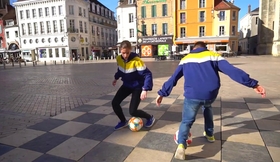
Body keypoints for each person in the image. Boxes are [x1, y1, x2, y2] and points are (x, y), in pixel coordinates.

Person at [155, 41, 266, 160]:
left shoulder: (186, 59)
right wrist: (253, 84)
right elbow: (232, 71)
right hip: (210, 94)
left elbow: (173, 78)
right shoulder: (213, 56)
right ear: (205, 48)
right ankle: (209, 134)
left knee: (187, 120)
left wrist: (162, 93)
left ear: (193, 49)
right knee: (207, 107)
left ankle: (182, 144)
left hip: (193, 95)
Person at [112, 40, 155, 130]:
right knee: (114, 103)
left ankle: (149, 117)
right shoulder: (119, 59)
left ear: (130, 50)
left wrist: (145, 89)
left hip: (137, 86)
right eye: (123, 53)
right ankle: (123, 121)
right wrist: (116, 78)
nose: (125, 55)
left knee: (133, 111)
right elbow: (120, 70)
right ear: (120, 51)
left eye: (127, 53)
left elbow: (147, 74)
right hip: (127, 85)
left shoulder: (137, 60)